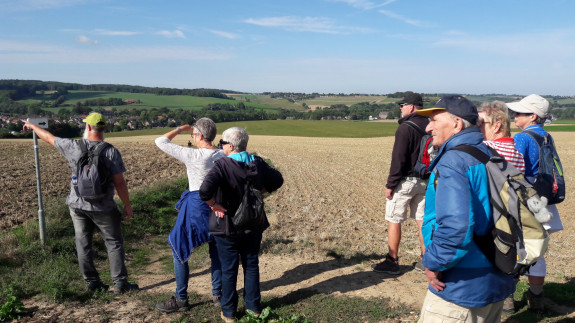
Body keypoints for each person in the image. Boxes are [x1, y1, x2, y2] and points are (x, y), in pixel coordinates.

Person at [415, 95, 515, 322]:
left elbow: (456, 226)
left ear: (457, 124)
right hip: (495, 274)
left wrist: (433, 263)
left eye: (434, 120)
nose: (428, 127)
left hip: (460, 285)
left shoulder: (454, 161)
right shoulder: (489, 154)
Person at [23, 112, 139, 295]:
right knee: (113, 243)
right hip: (104, 207)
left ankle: (93, 284)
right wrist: (127, 205)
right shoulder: (111, 151)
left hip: (77, 205)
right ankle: (120, 284)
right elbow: (120, 183)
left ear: (89, 127)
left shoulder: (73, 146)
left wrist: (33, 127)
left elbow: (49, 138)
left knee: (83, 243)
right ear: (104, 129)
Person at [199, 127, 283, 322]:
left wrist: (214, 205)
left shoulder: (221, 166)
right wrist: (260, 191)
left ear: (230, 145)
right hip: (253, 222)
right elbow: (278, 179)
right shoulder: (258, 162)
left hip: (227, 224)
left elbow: (204, 191)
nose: (221, 146)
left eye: (222, 143)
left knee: (229, 268)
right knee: (251, 264)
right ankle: (253, 308)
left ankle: (228, 313)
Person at [154, 118, 226, 313]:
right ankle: (218, 295)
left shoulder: (194, 155)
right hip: (219, 207)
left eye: (193, 134)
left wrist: (180, 129)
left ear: (200, 136)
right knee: (217, 252)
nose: (192, 137)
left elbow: (160, 141)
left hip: (197, 207)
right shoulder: (223, 155)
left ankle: (181, 298)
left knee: (179, 247)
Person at [506, 94, 564, 314]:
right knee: (537, 249)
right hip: (543, 199)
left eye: (519, 112)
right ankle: (536, 299)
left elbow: (513, 169)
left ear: (533, 116)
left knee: (512, 247)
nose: (515, 116)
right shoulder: (546, 136)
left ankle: (507, 300)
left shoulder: (522, 137)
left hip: (525, 199)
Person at [372, 92, 429, 275]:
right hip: (426, 181)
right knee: (423, 221)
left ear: (411, 107)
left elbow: (399, 159)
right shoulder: (430, 125)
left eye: (402, 105)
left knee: (394, 219)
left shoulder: (405, 128)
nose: (400, 108)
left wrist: (391, 184)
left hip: (405, 182)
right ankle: (426, 261)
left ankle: (392, 261)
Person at [478, 101, 525, 314]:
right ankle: (508, 299)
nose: (476, 128)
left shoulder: (490, 148)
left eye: (480, 123)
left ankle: (495, 303)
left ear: (497, 125)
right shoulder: (515, 148)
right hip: (513, 211)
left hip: (494, 212)